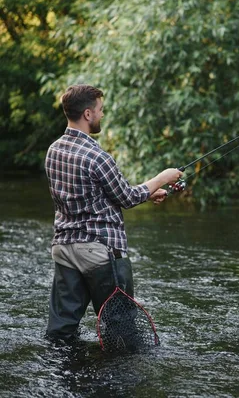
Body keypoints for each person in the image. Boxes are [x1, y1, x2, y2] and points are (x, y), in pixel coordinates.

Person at [44, 84, 182, 342]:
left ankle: (62, 376)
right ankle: (117, 380)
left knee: (60, 332)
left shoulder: (53, 151)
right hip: (100, 253)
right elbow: (127, 198)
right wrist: (161, 179)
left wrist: (148, 193)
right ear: (87, 114)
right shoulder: (98, 157)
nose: (102, 115)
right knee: (121, 335)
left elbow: (89, 196)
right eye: (100, 110)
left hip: (63, 248)